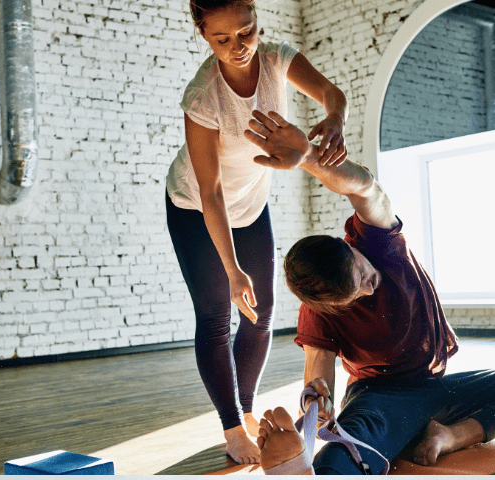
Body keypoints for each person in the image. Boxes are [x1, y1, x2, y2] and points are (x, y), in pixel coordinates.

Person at [244, 110, 495, 475]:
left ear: (348, 247)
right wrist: (318, 404)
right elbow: (318, 372)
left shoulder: (378, 241)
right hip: (380, 396)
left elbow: (366, 188)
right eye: (356, 292)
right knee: (349, 447)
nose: (369, 284)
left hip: (438, 388)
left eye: (361, 272)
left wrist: (311, 158)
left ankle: (452, 436)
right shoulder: (319, 311)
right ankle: (300, 472)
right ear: (331, 303)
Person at [165, 0, 350, 464]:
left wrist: (335, 118)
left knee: (260, 313)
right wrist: (231, 268)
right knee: (215, 316)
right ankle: (231, 428)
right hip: (196, 208)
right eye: (221, 39)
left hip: (251, 204)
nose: (237, 47)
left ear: (257, 21)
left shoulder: (276, 58)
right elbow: (209, 191)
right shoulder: (202, 96)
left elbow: (332, 93)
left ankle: (244, 409)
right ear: (203, 35)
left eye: (245, 32)